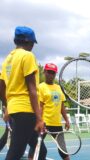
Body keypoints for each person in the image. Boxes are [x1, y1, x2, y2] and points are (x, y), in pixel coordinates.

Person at [0, 26, 46, 160]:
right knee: (15, 153)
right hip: (26, 110)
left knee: (41, 151)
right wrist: (39, 118)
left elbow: (1, 87)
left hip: (15, 109)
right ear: (29, 41)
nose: (33, 46)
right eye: (32, 43)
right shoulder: (27, 56)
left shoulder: (8, 59)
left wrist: (7, 107)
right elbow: (32, 89)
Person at [38, 63, 71, 160]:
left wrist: (66, 120)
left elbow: (61, 106)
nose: (51, 75)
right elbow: (40, 106)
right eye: (49, 72)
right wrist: (40, 121)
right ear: (44, 72)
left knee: (63, 151)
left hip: (57, 124)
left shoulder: (58, 88)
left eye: (53, 73)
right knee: (37, 148)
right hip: (44, 123)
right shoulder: (41, 87)